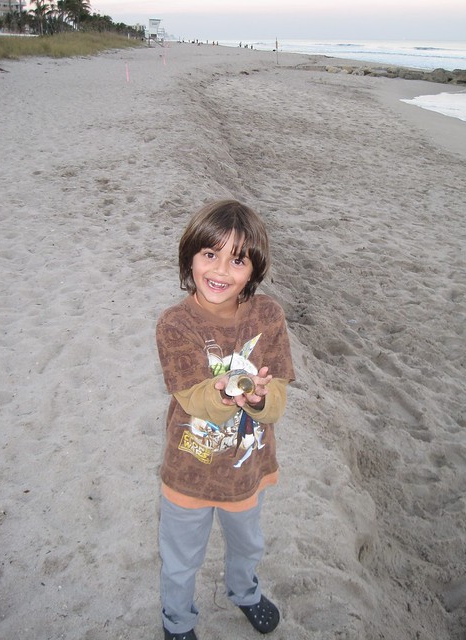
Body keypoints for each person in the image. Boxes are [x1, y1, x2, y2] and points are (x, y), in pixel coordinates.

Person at [156, 200, 295, 640]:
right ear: (190, 258)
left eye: (238, 259)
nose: (220, 270)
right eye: (209, 254)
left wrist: (257, 398)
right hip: (187, 472)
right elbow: (192, 397)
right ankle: (177, 622)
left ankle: (244, 592)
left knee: (247, 545)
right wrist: (225, 392)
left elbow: (277, 403)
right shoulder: (175, 324)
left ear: (253, 269)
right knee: (180, 559)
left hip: (245, 470)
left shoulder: (268, 316)